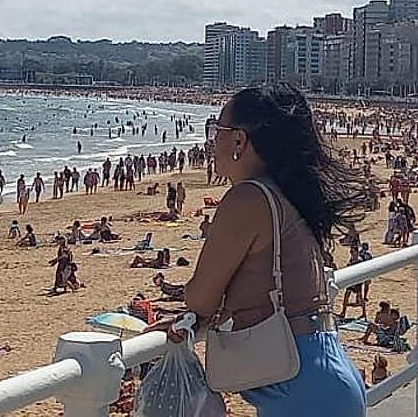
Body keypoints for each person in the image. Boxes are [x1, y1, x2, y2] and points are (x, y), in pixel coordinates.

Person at [151, 83, 369, 416]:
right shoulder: (285, 193)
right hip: (318, 372)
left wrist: (196, 309)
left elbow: (200, 298)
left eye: (216, 131)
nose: (211, 142)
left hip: (300, 386)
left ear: (239, 140)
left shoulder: (247, 199)